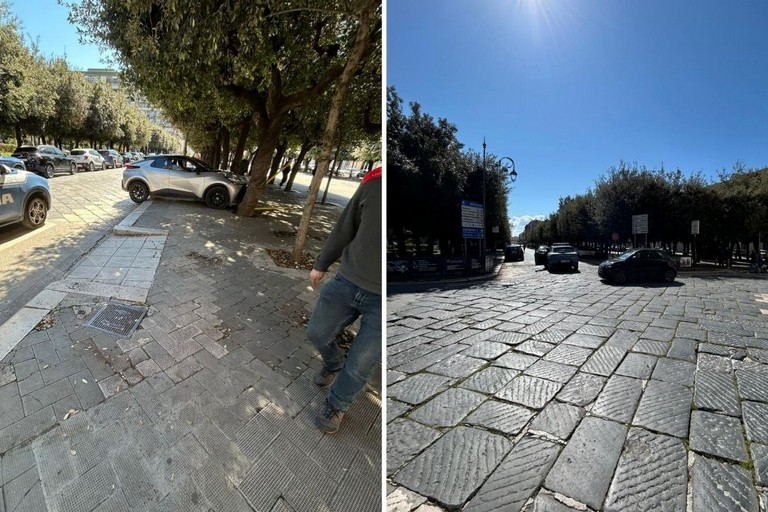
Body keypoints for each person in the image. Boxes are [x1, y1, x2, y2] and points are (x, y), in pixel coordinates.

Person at [306, 166, 382, 433]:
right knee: (317, 332)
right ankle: (333, 361)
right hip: (348, 280)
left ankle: (337, 404)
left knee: (361, 363)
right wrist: (322, 262)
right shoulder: (375, 179)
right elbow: (346, 225)